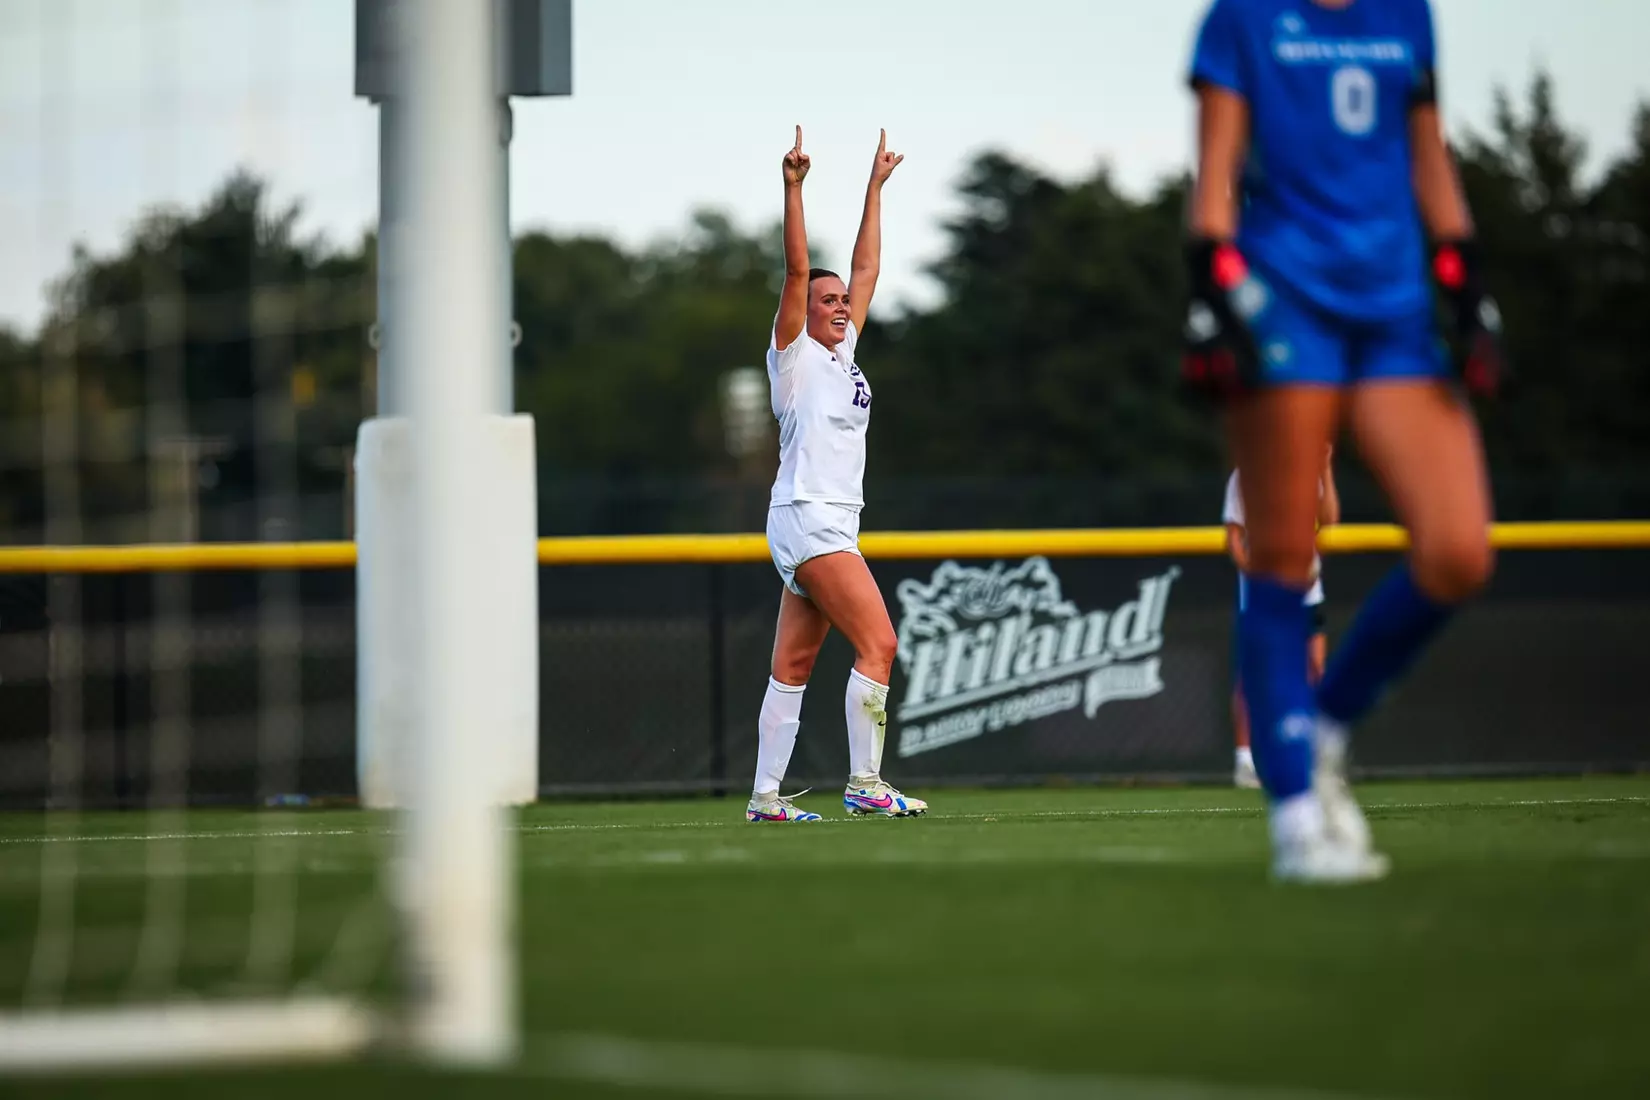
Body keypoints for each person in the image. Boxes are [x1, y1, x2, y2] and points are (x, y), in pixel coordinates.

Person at [1182, 0, 1505, 880]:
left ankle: (1324, 731)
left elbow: (1425, 147)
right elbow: (1215, 169)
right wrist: (1208, 285)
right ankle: (1296, 816)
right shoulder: (1241, 20)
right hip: (1286, 300)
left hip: (1394, 306)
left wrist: (1465, 270)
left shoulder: (1406, 14)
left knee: (1458, 552)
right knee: (1282, 560)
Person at [747, 126, 928, 823]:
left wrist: (874, 189)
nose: (840, 305)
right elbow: (798, 273)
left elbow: (868, 270)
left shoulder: (842, 352)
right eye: (828, 303)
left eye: (839, 302)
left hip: (811, 519)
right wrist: (793, 188)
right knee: (879, 643)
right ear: (803, 315)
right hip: (813, 516)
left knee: (792, 667)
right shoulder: (793, 356)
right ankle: (864, 782)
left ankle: (766, 797)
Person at [1225, 446, 1340, 789]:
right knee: (1253, 673)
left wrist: (1326, 469)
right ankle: (1244, 761)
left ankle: (1317, 759)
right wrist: (1256, 575)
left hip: (1307, 589)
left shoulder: (1307, 469)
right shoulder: (1246, 473)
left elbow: (1330, 519)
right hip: (1263, 592)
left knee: (1316, 670)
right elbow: (1233, 537)